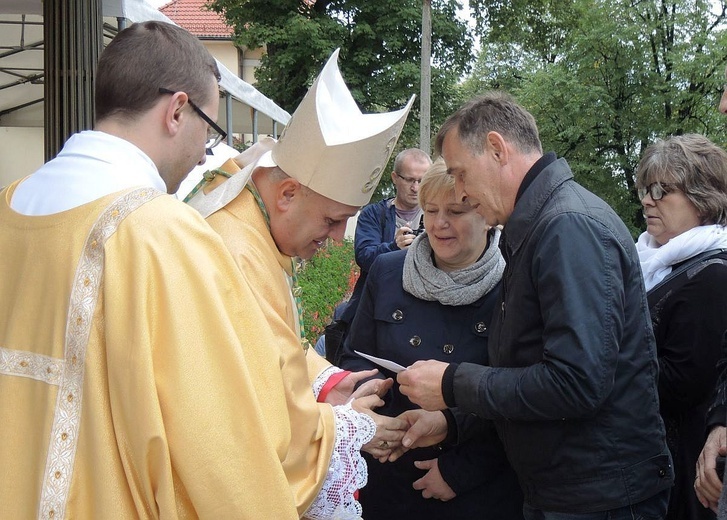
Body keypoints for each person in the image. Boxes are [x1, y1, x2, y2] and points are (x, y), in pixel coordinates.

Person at [0, 21, 303, 518]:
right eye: (209, 127)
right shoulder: (164, 233)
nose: (205, 149)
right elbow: (226, 440)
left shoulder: (7, 206)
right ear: (178, 110)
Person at [395, 91, 674, 518]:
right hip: (571, 491)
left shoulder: (567, 228)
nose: (463, 193)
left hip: (597, 498)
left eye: (461, 174)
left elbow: (576, 383)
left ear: (496, 148)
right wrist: (454, 421)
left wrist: (453, 383)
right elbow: (524, 371)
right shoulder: (542, 225)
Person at [185, 49, 414, 516]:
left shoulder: (255, 223)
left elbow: (275, 344)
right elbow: (245, 415)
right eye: (332, 221)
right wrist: (346, 427)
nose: (334, 241)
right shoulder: (236, 248)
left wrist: (330, 384)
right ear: (288, 193)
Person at [338, 158, 523, 519]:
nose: (439, 224)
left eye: (455, 210)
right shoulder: (387, 270)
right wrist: (367, 411)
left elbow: (521, 393)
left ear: (486, 215)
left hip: (470, 488)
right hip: (387, 466)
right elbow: (355, 357)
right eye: (431, 209)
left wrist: (460, 471)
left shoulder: (514, 285)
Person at [635, 134, 727, 520]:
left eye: (661, 190)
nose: (646, 200)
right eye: (643, 189)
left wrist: (603, 361)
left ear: (703, 198)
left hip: (683, 471)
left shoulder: (712, 274)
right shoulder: (654, 261)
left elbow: (682, 385)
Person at [325, 148, 432, 364]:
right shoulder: (375, 214)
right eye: (409, 179)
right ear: (395, 178)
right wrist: (393, 247)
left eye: (422, 180)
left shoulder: (435, 215)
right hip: (376, 311)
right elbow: (363, 256)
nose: (415, 188)